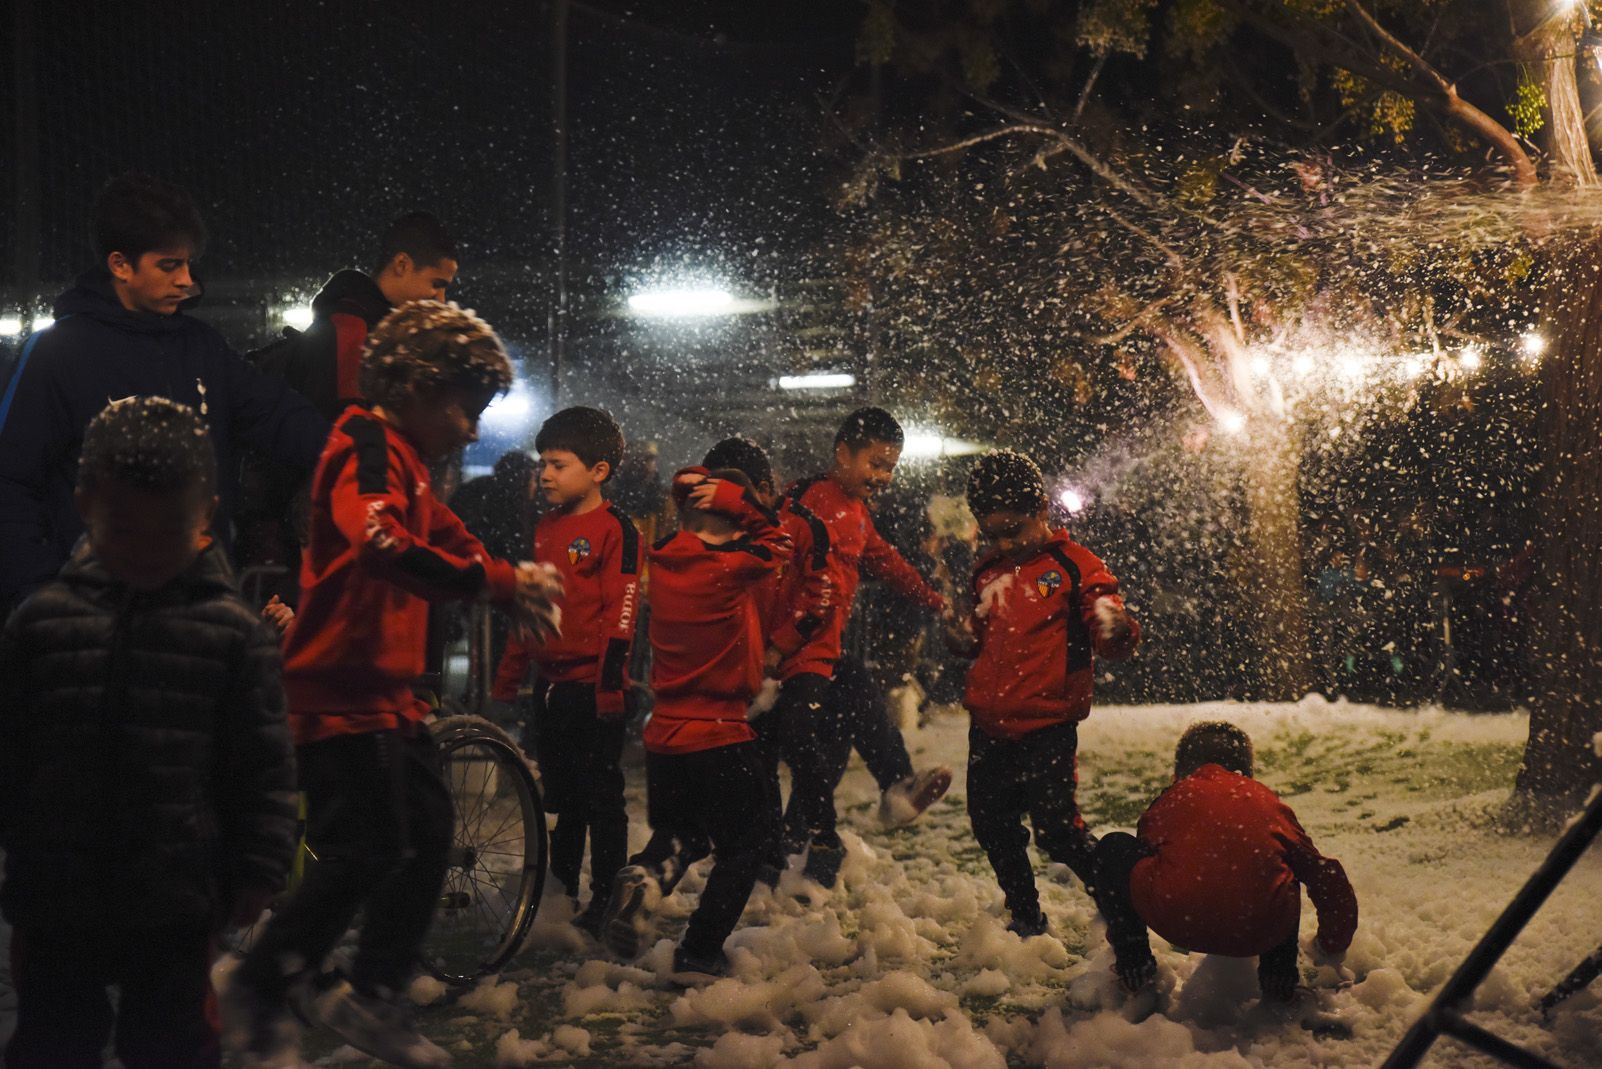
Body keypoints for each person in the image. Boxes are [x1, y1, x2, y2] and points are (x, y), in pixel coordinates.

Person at [222, 301, 561, 1068]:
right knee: (370, 847)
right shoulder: (365, 445)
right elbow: (382, 541)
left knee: (429, 832)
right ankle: (267, 977)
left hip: (385, 692)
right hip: (339, 691)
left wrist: (500, 572)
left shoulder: (406, 462)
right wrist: (493, 582)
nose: (473, 429)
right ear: (412, 385)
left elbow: (439, 528)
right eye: (465, 408)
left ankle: (374, 990)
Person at [0, 397, 297, 1069]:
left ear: (205, 517)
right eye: (124, 527)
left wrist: (259, 865)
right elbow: (12, 748)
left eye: (166, 531)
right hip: (56, 895)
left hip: (178, 896)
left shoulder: (230, 631)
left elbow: (262, 762)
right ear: (84, 506)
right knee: (52, 1038)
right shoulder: (42, 622)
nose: (144, 551)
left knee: (171, 1043)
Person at [0, 172, 328, 616]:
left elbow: (277, 414)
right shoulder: (59, 353)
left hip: (196, 604)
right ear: (120, 265)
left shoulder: (200, 346)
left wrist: (358, 450)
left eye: (189, 264)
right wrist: (37, 591)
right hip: (95, 610)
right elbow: (11, 479)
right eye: (169, 265)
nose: (186, 280)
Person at [599, 467, 790, 983]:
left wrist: (705, 497)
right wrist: (741, 500)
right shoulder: (727, 568)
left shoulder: (662, 561)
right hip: (720, 732)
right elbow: (781, 542)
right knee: (745, 846)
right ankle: (699, 953)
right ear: (733, 525)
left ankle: (648, 875)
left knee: (682, 832)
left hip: (665, 733)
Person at [949, 449, 1141, 939]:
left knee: (1056, 831)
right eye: (993, 533)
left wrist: (1114, 629)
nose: (1006, 542)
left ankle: (1118, 894)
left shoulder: (1074, 566)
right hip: (989, 725)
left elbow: (1105, 617)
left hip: (1047, 727)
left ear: (1041, 511)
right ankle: (1025, 914)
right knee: (992, 826)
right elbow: (982, 634)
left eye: (1014, 528)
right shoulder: (987, 572)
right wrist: (963, 636)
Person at [761, 409, 952, 891]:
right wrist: (770, 644)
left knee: (838, 740)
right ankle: (888, 790)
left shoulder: (857, 514)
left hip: (822, 648)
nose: (883, 476)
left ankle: (794, 844)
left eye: (891, 467)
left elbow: (886, 562)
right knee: (852, 706)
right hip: (796, 650)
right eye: (875, 463)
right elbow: (770, 568)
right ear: (842, 453)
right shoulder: (803, 503)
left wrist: (934, 600)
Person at [492, 406, 640, 934]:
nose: (546, 474)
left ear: (598, 471)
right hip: (550, 688)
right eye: (543, 464)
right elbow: (532, 604)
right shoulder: (546, 528)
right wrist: (510, 675)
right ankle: (558, 895)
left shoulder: (616, 529)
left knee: (603, 799)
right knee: (562, 799)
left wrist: (608, 687)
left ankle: (606, 896)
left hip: (592, 689)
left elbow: (621, 612)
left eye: (558, 464)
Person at [1088, 721, 1358, 999]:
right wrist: (1331, 944)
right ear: (1248, 773)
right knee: (1283, 868)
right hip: (1259, 928)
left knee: (1113, 846)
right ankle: (1278, 977)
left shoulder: (1175, 796)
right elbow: (1326, 876)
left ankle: (1136, 968)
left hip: (1177, 920)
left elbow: (1142, 856)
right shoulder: (1266, 801)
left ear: (1177, 775)